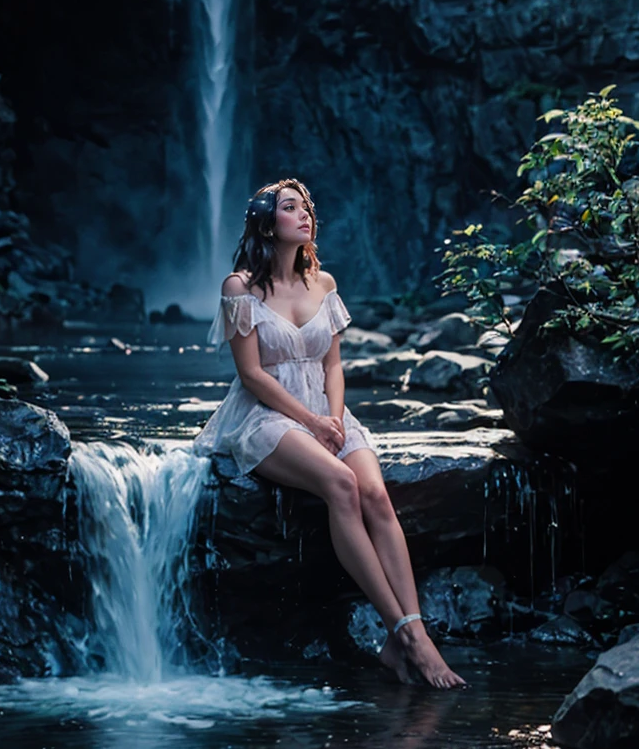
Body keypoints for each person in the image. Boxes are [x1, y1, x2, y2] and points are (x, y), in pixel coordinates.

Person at [194, 178, 465, 690]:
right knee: (341, 485)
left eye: (307, 208)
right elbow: (252, 375)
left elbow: (333, 365)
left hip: (327, 411)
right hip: (265, 416)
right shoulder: (240, 287)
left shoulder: (325, 284)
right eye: (290, 208)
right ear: (265, 221)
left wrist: (333, 419)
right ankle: (410, 637)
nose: (304, 215)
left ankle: (407, 636)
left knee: (376, 495)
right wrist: (311, 422)